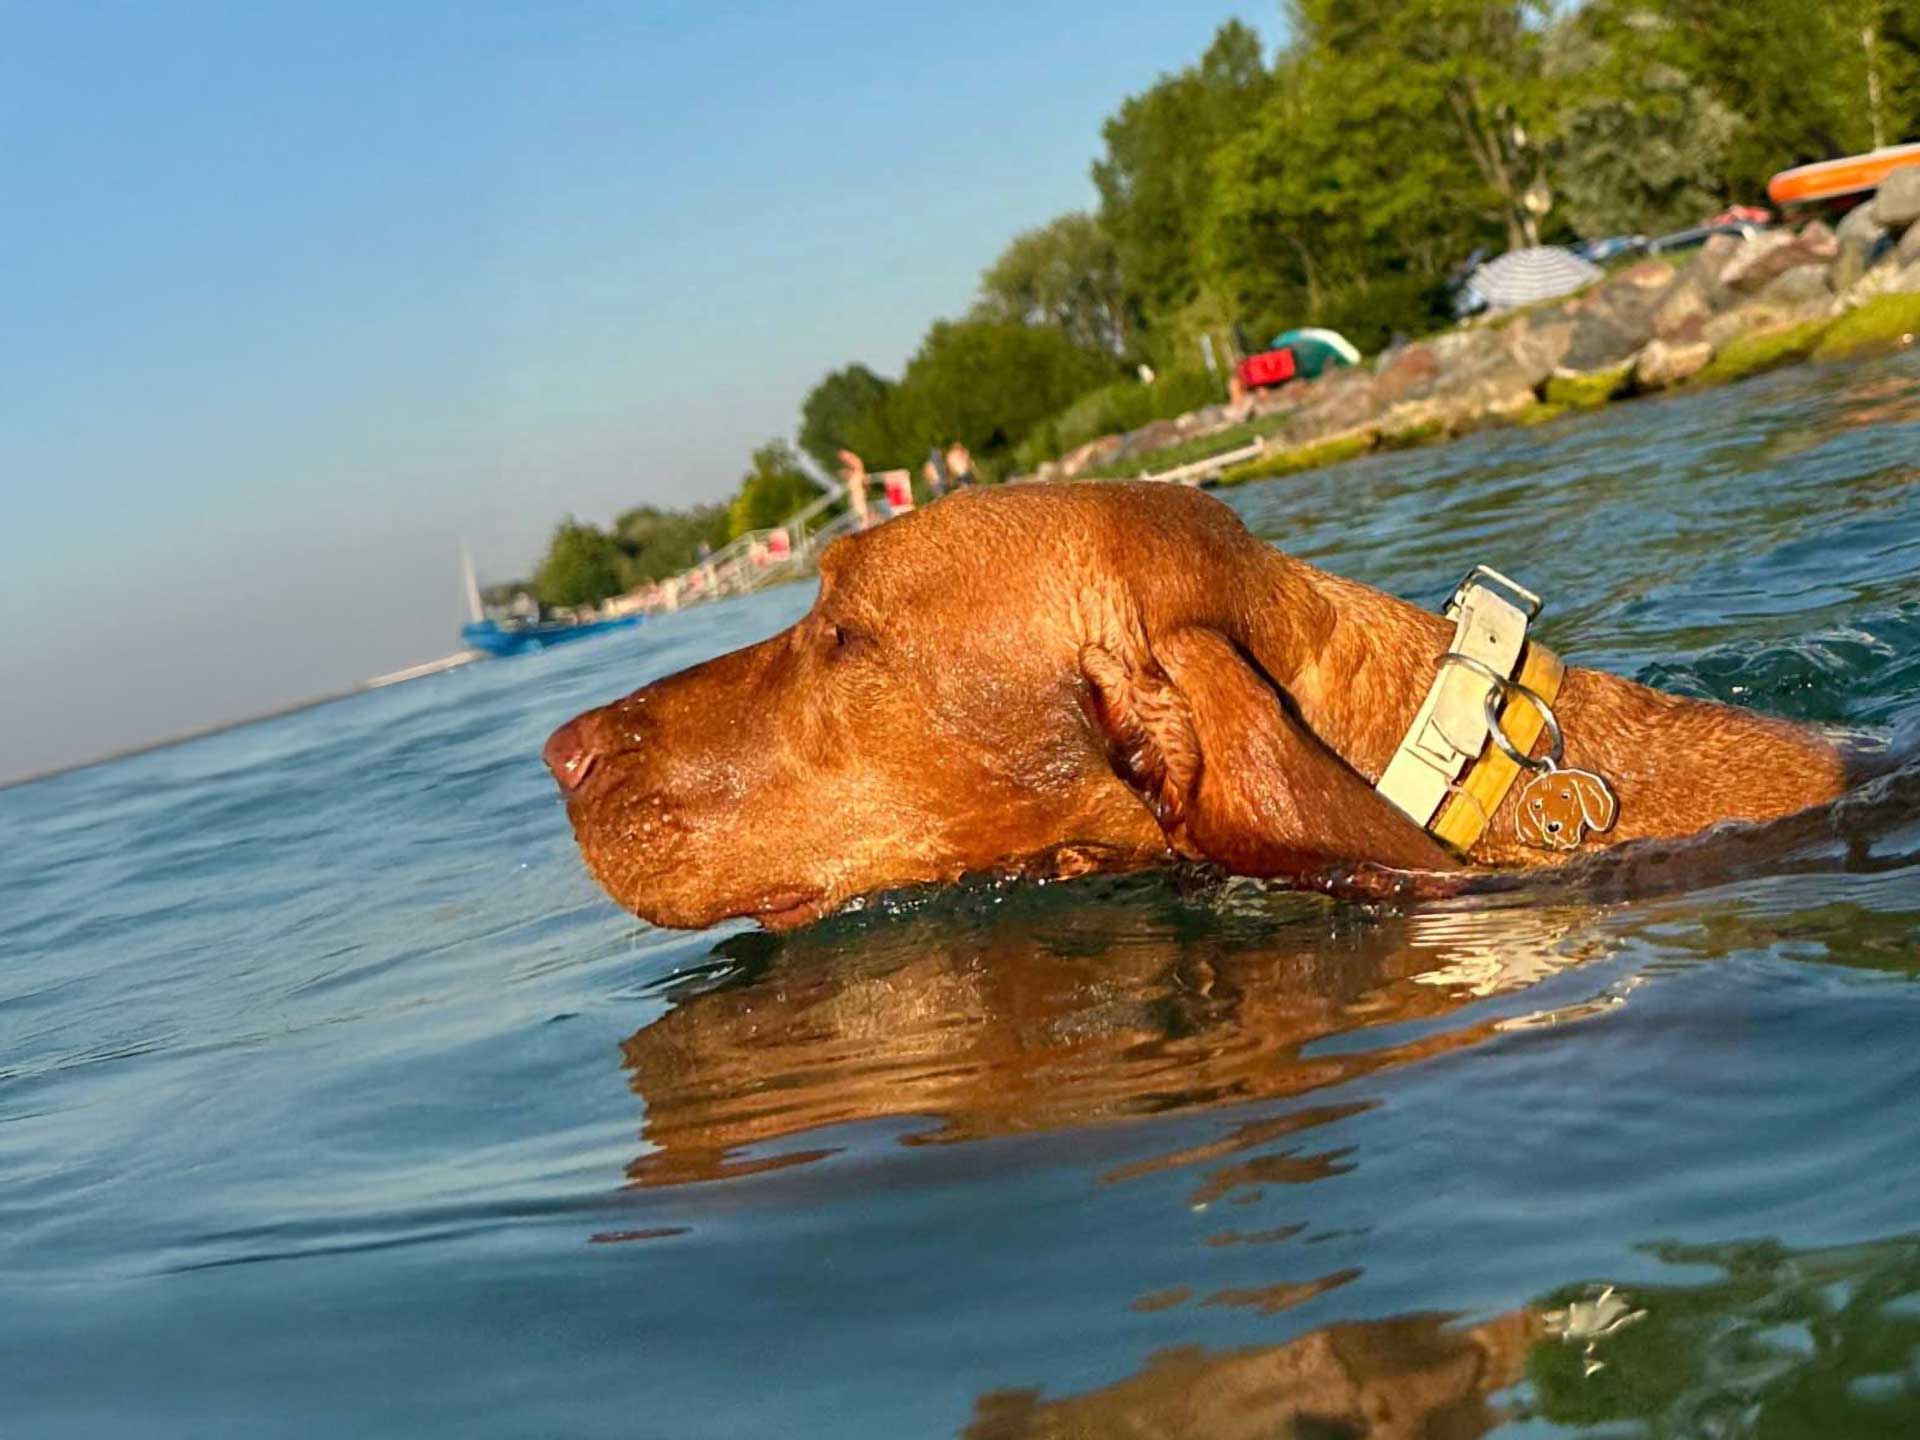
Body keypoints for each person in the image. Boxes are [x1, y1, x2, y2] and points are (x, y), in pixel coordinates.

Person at [838, 449, 871, 530]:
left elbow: (857, 464)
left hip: (858, 495)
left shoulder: (857, 470)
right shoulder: (855, 472)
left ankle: (865, 529)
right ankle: (864, 528)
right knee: (859, 515)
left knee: (861, 515)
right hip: (856, 496)